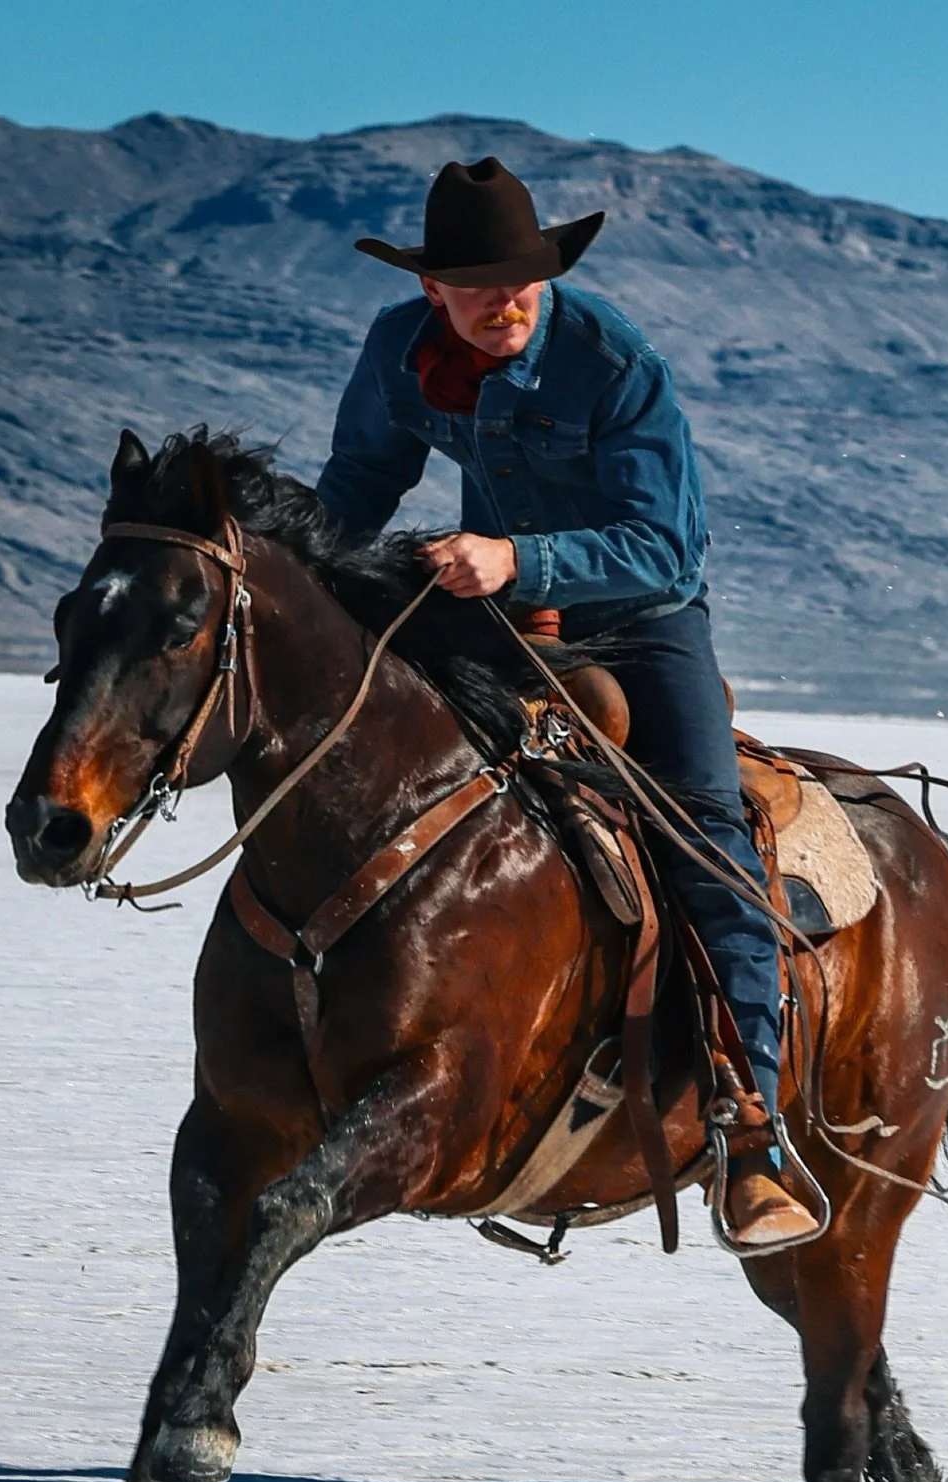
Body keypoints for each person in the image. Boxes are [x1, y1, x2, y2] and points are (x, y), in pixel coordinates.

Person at [315, 155, 816, 1251]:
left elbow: (663, 544)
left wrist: (516, 558)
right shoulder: (402, 352)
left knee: (707, 830)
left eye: (523, 280)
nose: (507, 302)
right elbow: (358, 486)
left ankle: (750, 1127)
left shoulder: (612, 360)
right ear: (432, 288)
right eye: (480, 284)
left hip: (641, 616)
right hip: (490, 601)